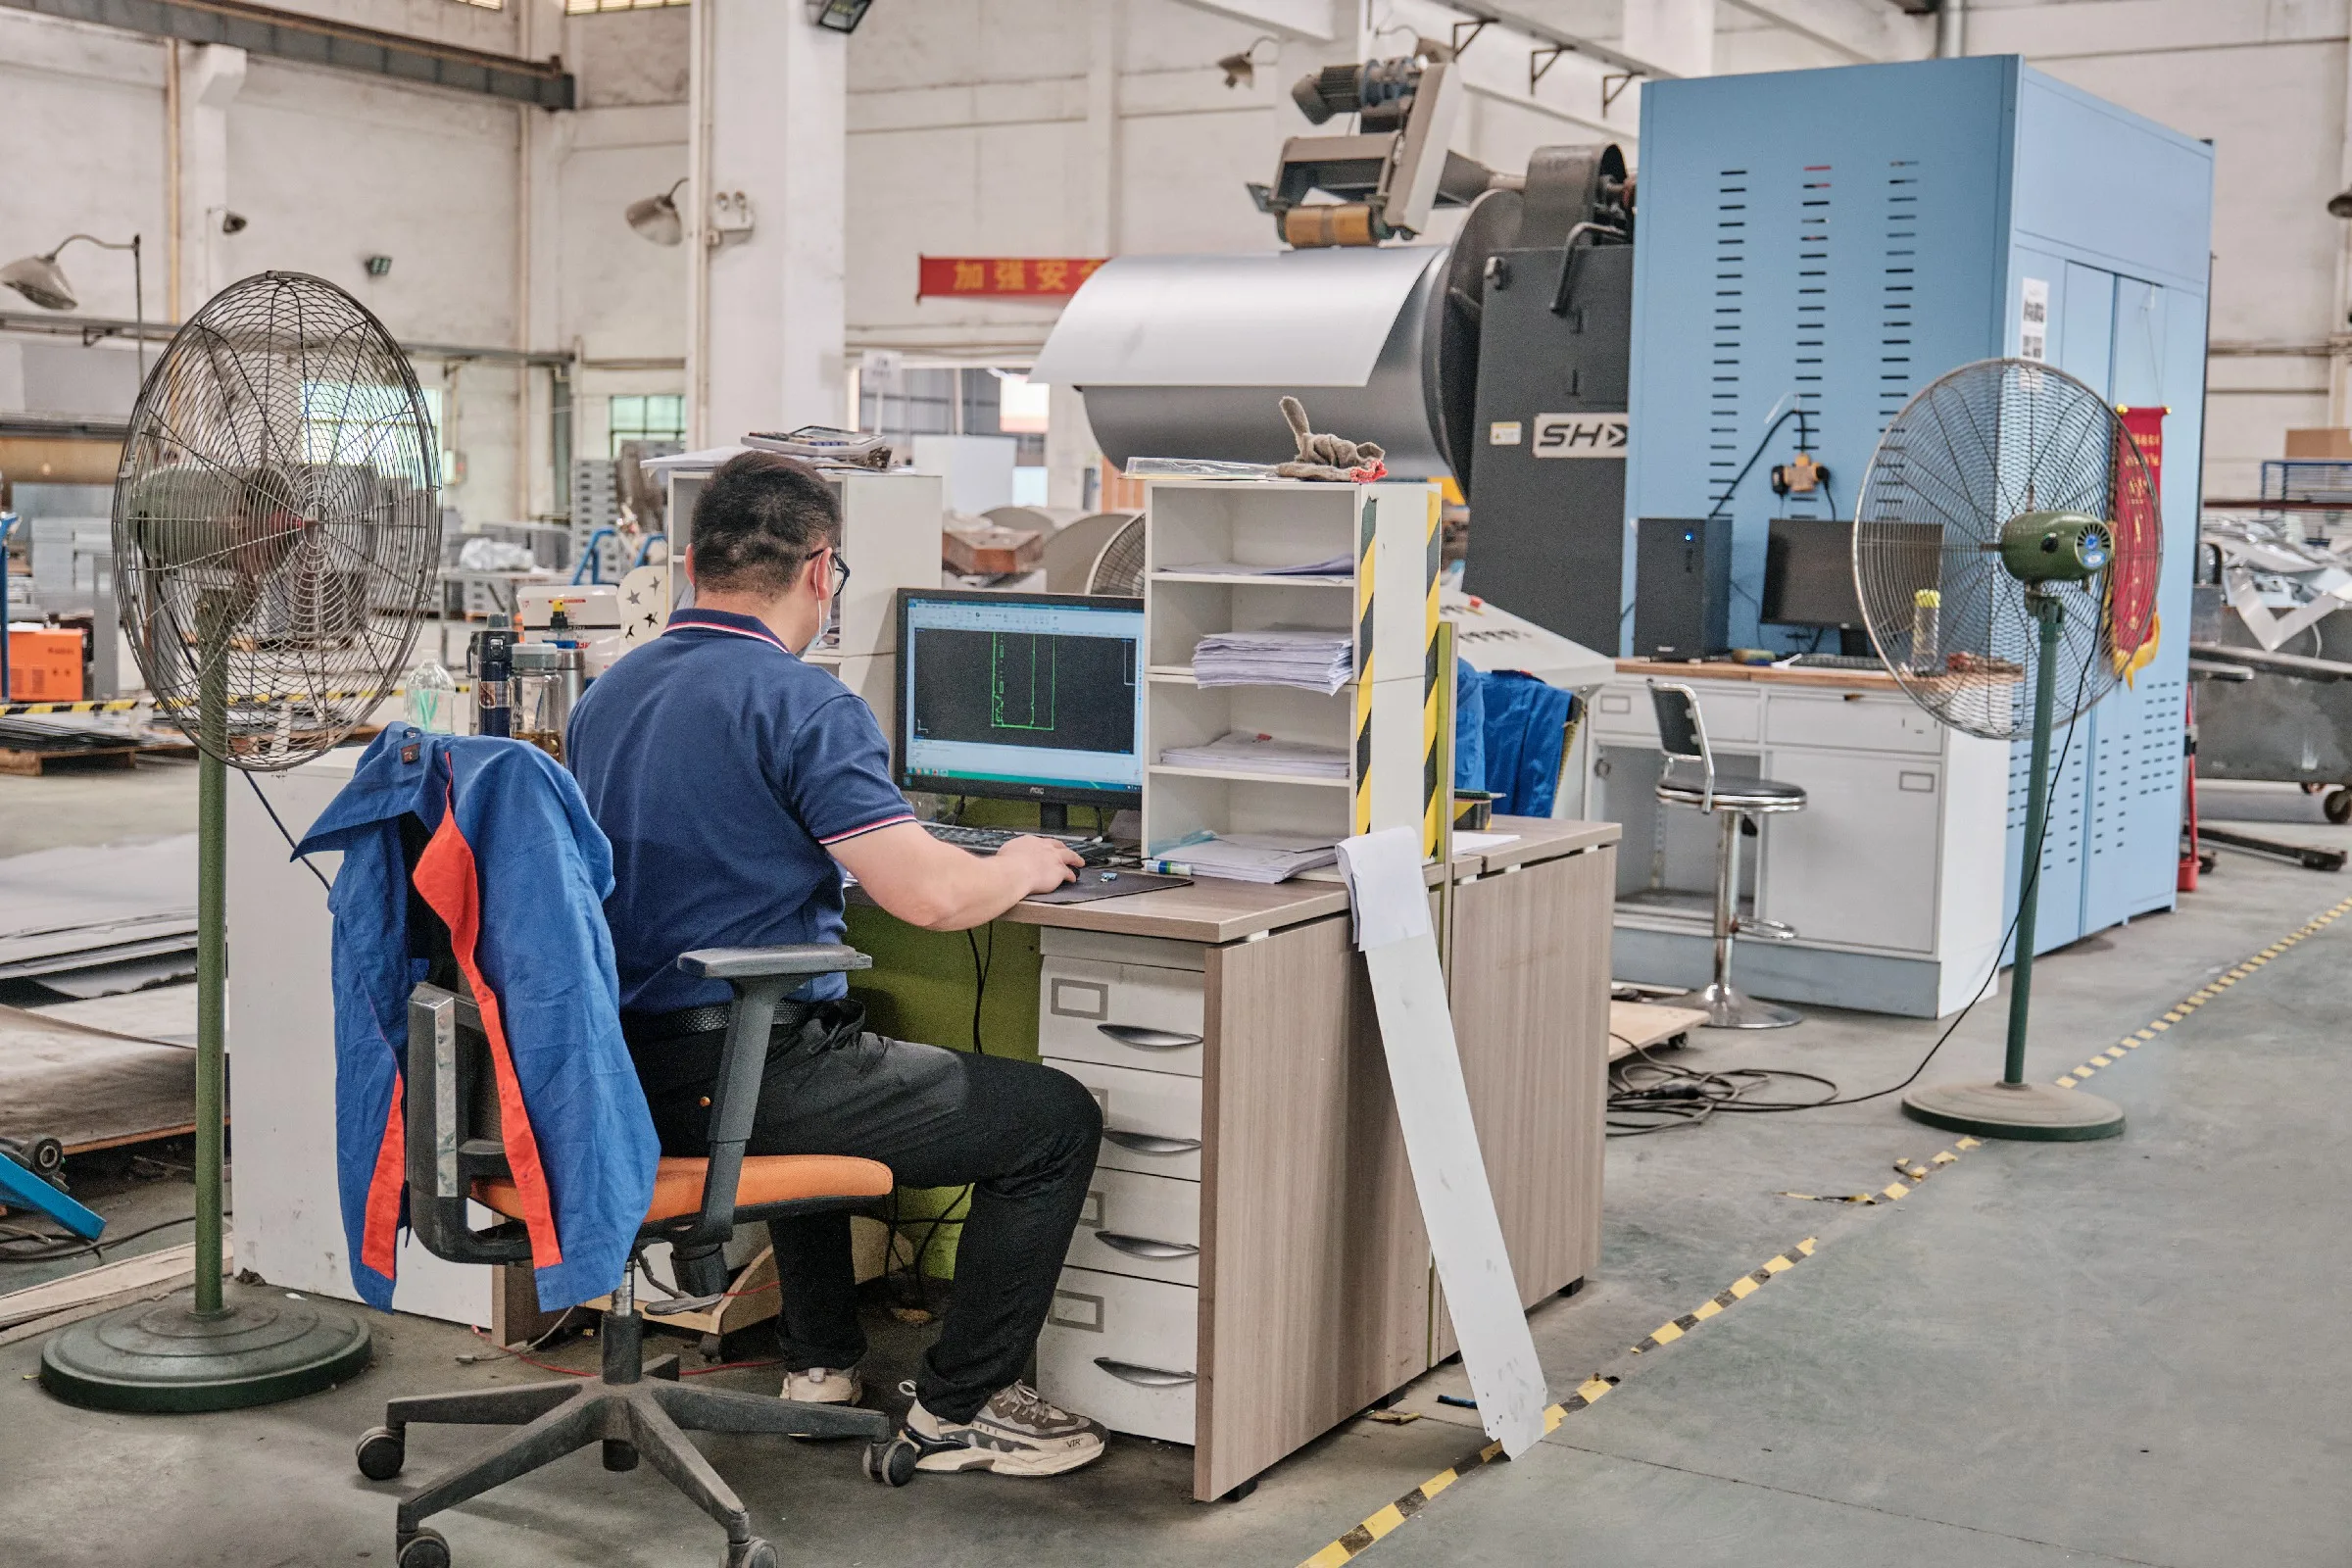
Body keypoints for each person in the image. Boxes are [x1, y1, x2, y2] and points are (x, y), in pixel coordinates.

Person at [566, 450, 1106, 1477]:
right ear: (823, 572)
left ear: (691, 562)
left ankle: (820, 1362)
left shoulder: (609, 694)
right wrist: (1027, 862)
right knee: (1052, 1122)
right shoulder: (804, 704)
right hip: (743, 1078)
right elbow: (934, 898)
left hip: (627, 1070)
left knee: (828, 1012)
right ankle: (963, 1407)